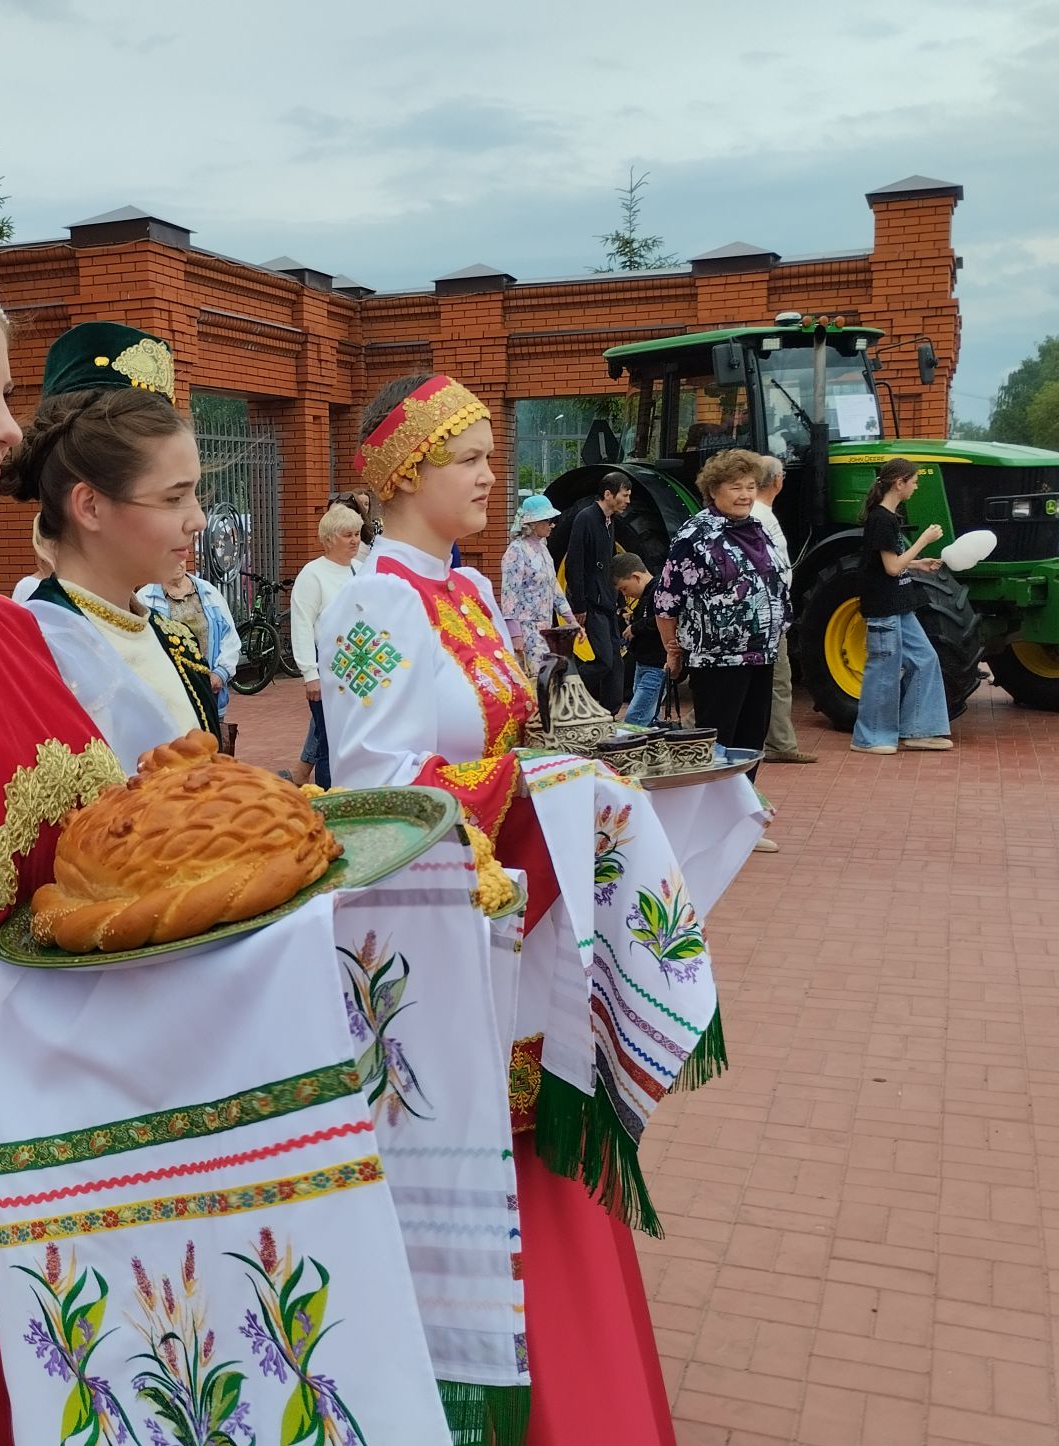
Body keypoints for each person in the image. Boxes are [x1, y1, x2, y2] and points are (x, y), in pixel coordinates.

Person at [0, 186, 449, 1445]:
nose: (11, 429)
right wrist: (242, 1001)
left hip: (81, 1106)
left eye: (5, 393)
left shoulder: (6, 627)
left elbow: (121, 872)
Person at [322, 372, 734, 1445]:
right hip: (443, 927)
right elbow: (373, 781)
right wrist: (532, 788)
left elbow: (508, 735)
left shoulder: (461, 592)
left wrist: (586, 769)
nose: (491, 476)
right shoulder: (376, 598)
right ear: (407, 471)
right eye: (470, 459)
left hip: (510, 910)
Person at [5, 321, 220, 739]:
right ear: (90, 506)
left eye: (195, 495)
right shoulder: (29, 653)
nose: (198, 520)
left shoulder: (176, 643)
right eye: (174, 498)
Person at [653, 448, 789, 781]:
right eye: (735, 487)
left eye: (750, 486)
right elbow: (666, 599)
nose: (745, 495)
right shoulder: (696, 536)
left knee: (751, 744)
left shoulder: (756, 527)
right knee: (718, 747)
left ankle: (743, 826)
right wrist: (672, 650)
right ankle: (713, 826)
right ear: (714, 491)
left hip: (761, 654)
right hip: (718, 661)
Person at [850, 458, 953, 755]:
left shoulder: (887, 517)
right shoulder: (882, 518)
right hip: (884, 606)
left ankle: (920, 730)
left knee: (925, 659)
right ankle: (869, 738)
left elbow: (888, 563)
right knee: (883, 669)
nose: (916, 486)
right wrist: (924, 541)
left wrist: (918, 564)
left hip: (899, 605)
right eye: (914, 481)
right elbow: (892, 567)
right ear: (900, 483)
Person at [289, 502, 362, 785]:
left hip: (359, 664)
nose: (355, 540)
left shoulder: (361, 569)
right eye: (347, 535)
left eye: (357, 533)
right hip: (328, 665)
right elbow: (302, 625)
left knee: (352, 738)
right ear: (330, 539)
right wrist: (310, 674)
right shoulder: (313, 574)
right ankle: (328, 798)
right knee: (329, 740)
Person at [753, 456, 817, 764]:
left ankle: (780, 742)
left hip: (769, 612)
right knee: (773, 679)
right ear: (778, 481)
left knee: (771, 678)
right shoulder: (760, 515)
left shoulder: (758, 513)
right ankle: (779, 743)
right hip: (766, 614)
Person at [563, 473, 631, 710]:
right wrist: (579, 605)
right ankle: (566, 691)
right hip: (591, 602)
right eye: (625, 495)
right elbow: (575, 563)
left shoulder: (610, 521)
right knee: (603, 660)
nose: (627, 500)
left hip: (608, 601)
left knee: (616, 662)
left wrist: (620, 600)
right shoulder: (586, 518)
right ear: (608, 494)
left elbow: (610, 564)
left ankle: (610, 713)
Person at [138, 559, 241, 715]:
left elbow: (229, 637)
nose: (177, 563)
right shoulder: (145, 599)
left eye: (181, 557)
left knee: (211, 739)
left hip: (210, 692)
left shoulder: (208, 592)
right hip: (168, 701)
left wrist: (221, 672)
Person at [500, 491, 576, 673]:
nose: (552, 525)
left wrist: (571, 620)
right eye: (548, 521)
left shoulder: (543, 549)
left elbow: (554, 588)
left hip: (546, 627)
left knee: (546, 678)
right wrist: (515, 635)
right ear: (534, 524)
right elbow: (509, 595)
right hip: (526, 629)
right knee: (537, 679)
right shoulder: (516, 551)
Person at [613, 552, 666, 724]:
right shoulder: (645, 595)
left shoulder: (659, 589)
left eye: (624, 588)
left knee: (635, 718)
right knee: (647, 717)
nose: (626, 594)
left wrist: (636, 627)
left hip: (657, 665)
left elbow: (662, 619)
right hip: (643, 663)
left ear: (636, 577)